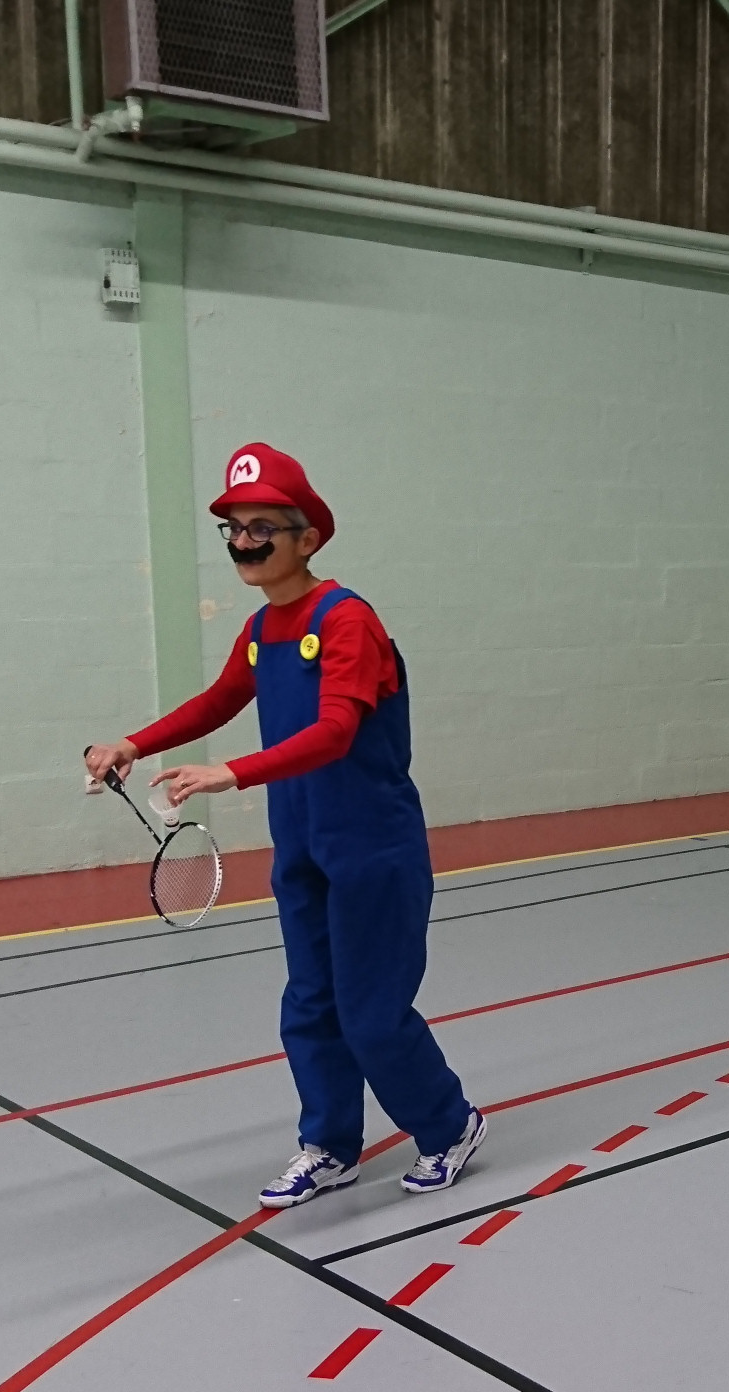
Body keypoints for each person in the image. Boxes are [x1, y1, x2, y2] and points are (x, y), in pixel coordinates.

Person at [84, 443, 486, 1208]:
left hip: (371, 847)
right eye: (234, 528)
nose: (244, 541)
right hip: (301, 846)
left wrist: (230, 772)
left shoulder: (347, 620)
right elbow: (218, 699)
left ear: (308, 538)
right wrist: (134, 743)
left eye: (262, 526)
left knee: (371, 1016)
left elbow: (336, 731)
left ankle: (450, 1123)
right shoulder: (262, 628)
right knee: (309, 1005)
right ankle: (331, 1145)